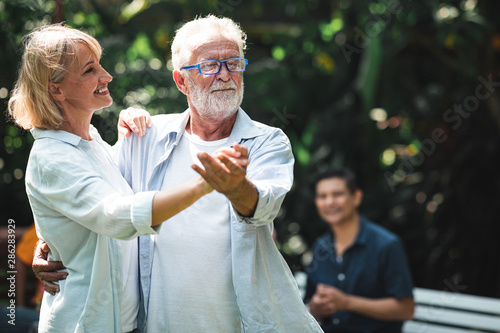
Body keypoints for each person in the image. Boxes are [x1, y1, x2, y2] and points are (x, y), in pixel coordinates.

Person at [34, 15, 323, 332]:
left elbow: (263, 206)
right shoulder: (145, 136)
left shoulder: (266, 141)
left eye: (234, 63)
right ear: (181, 81)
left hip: (240, 323)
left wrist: (236, 187)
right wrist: (52, 241)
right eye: (210, 66)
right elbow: (98, 202)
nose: (225, 75)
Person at [8, 24, 221, 333]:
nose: (106, 76)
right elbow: (117, 215)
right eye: (89, 70)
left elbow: (117, 193)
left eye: (100, 65)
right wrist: (205, 184)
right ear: (56, 89)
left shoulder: (92, 142)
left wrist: (131, 131)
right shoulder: (52, 157)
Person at [305, 168, 415, 333]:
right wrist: (316, 308)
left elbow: (406, 309)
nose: (329, 202)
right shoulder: (321, 247)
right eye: (322, 196)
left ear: (356, 197)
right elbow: (309, 304)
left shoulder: (386, 245)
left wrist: (348, 303)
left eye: (337, 194)